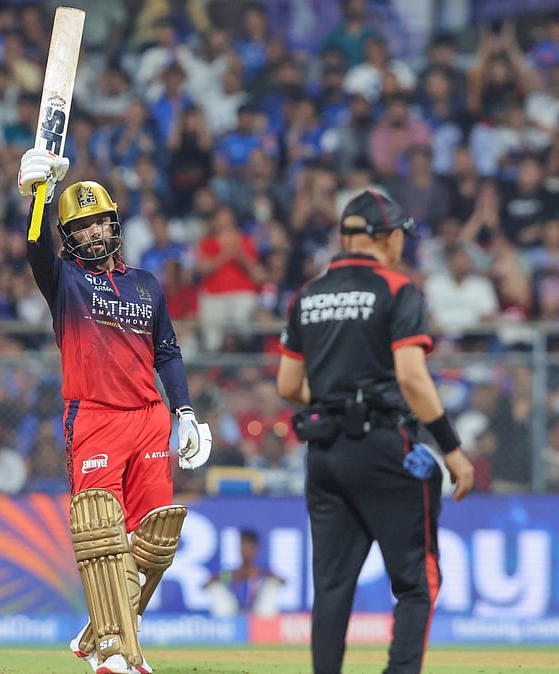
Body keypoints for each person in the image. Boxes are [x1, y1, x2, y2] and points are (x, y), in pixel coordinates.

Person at [17, 148, 213, 674]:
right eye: (82, 227)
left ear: (116, 225)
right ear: (70, 237)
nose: (95, 233)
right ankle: (115, 653)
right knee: (102, 531)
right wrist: (39, 195)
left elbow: (167, 351)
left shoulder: (146, 284)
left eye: (102, 222)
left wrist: (185, 412)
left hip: (149, 415)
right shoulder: (63, 282)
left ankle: (106, 626)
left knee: (155, 535)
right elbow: (35, 249)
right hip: (96, 415)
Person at [275, 190, 475, 674]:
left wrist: (334, 402)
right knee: (415, 580)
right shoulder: (397, 289)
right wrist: (451, 449)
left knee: (332, 586)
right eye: (400, 235)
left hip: (324, 453)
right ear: (384, 238)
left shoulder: (308, 296)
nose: (402, 244)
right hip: (385, 448)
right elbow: (411, 377)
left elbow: (288, 385)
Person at [203, 529, 285, 618]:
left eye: (248, 545)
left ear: (255, 548)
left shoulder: (262, 571)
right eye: (242, 545)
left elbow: (282, 580)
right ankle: (224, 624)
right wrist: (235, 576)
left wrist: (258, 574)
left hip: (259, 614)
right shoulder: (232, 573)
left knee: (272, 584)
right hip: (231, 613)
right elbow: (206, 583)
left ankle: (266, 624)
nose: (245, 549)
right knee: (216, 586)